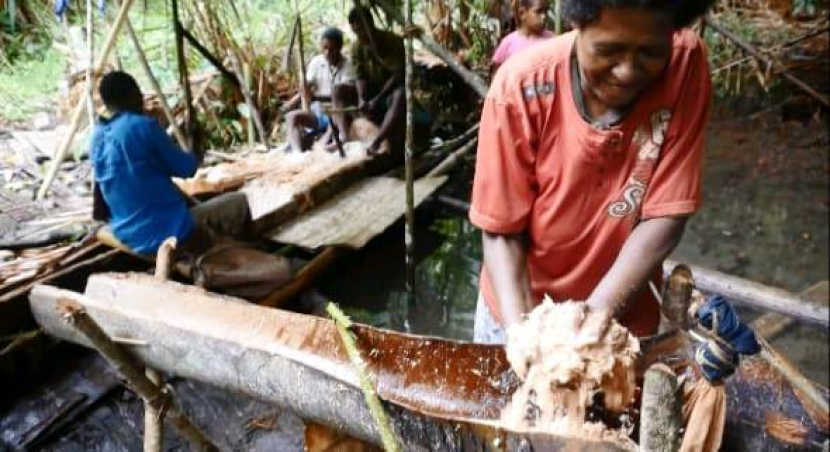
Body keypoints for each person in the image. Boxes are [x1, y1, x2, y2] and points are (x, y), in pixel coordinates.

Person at [469, 0, 715, 344]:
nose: (628, 71)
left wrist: (592, 321)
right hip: (520, 308)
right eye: (608, 50)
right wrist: (521, 334)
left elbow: (666, 215)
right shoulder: (521, 87)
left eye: (650, 53)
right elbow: (500, 231)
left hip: (621, 318)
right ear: (577, 26)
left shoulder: (684, 63)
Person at [91, 71, 292, 296]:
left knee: (200, 208)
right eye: (139, 93)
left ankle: (219, 248)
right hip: (168, 232)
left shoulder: (96, 135)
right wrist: (195, 150)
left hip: (127, 232)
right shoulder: (141, 126)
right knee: (238, 203)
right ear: (132, 95)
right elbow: (187, 168)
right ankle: (232, 259)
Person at [329, 5, 406, 154]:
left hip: (390, 91)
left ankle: (378, 141)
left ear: (371, 24)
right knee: (338, 90)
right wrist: (361, 98)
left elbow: (398, 75)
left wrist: (377, 99)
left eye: (363, 29)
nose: (360, 34)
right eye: (356, 31)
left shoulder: (393, 40)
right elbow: (360, 76)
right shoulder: (357, 46)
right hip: (372, 89)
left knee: (400, 95)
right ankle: (344, 137)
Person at [283, 27, 356, 152]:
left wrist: (315, 97)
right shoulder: (317, 62)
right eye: (324, 48)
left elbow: (340, 94)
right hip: (318, 113)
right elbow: (306, 87)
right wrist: (297, 97)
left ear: (339, 47)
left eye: (331, 49)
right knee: (291, 117)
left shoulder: (348, 65)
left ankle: (338, 139)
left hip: (338, 113)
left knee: (335, 106)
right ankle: (297, 154)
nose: (327, 52)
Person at [492, 0, 554, 70]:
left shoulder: (552, 41)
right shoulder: (508, 43)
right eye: (538, 12)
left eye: (546, 11)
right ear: (522, 13)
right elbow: (497, 75)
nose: (544, 16)